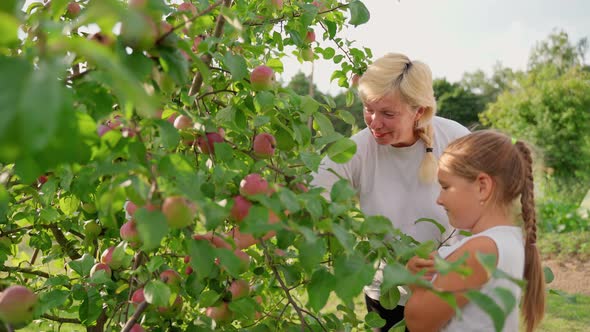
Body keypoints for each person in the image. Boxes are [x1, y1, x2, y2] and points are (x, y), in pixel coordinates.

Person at [311, 52, 470, 331]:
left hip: (449, 292)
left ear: (418, 111)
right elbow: (309, 196)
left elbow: (487, 207)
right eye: (368, 109)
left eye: (387, 113)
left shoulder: (456, 139)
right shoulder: (357, 149)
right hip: (387, 295)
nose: (374, 122)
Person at [404, 130, 546, 332]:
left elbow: (419, 322)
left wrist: (415, 282)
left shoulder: (480, 250)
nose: (439, 199)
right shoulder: (509, 240)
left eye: (446, 186)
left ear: (482, 187)